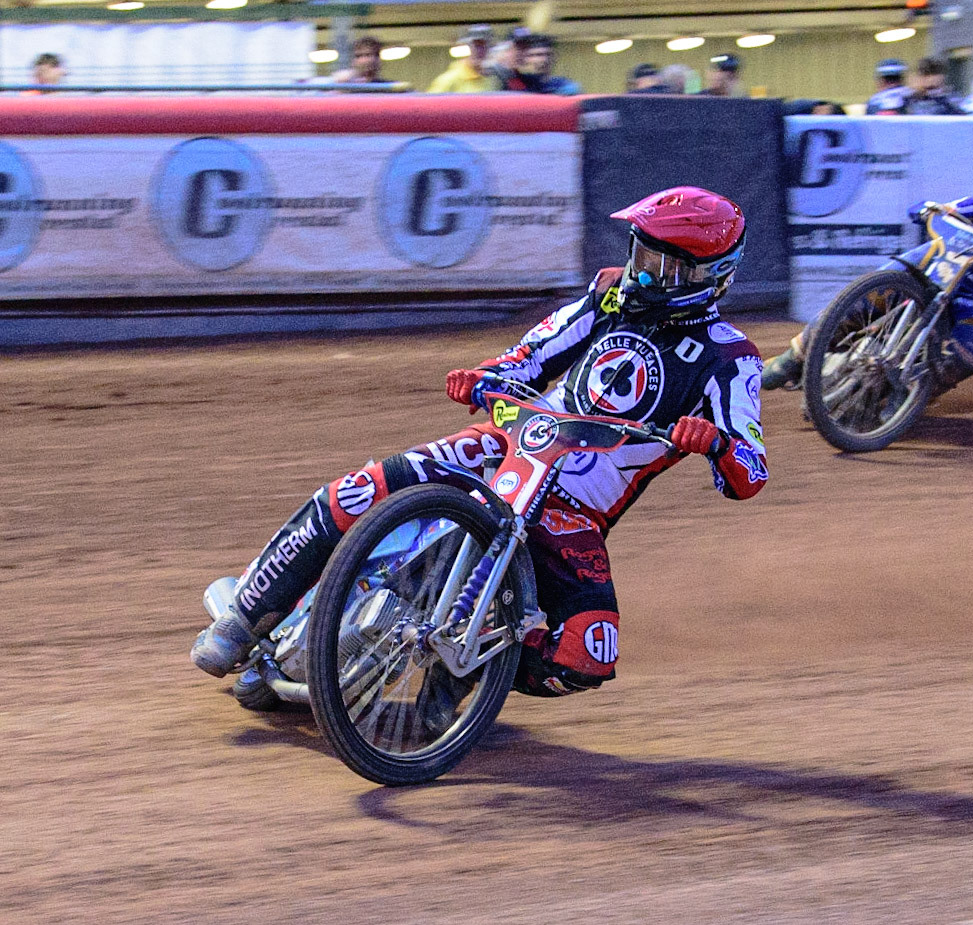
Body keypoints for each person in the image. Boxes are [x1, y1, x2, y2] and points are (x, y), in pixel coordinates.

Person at [191, 187, 767, 698]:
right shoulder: (609, 296)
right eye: (641, 255)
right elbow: (532, 355)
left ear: (708, 276)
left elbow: (751, 470)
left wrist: (715, 443)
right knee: (363, 489)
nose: (642, 275)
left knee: (587, 656)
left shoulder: (730, 358)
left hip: (573, 511)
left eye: (662, 267)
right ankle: (242, 616)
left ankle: (464, 679)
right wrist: (487, 376)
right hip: (508, 442)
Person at [762, 127, 973, 397]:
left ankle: (909, 398)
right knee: (872, 291)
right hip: (943, 258)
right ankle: (793, 358)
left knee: (971, 354)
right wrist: (937, 208)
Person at [427, 24, 498, 94]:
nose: (480, 51)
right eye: (476, 46)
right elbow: (430, 101)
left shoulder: (491, 81)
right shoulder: (448, 81)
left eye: (485, 46)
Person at [512, 32, 581, 95]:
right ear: (521, 59)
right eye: (536, 55)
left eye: (548, 54)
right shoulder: (512, 88)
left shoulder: (565, 88)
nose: (544, 59)